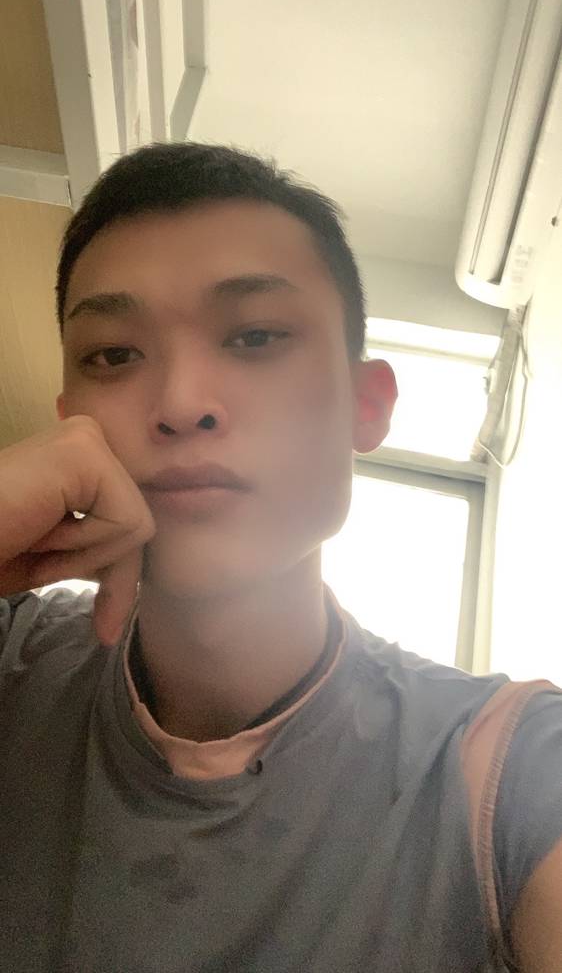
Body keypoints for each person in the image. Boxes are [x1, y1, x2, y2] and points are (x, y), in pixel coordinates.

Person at [0, 142, 560, 973]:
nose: (181, 404)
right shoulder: (13, 659)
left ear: (366, 405)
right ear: (68, 420)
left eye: (256, 335)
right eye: (113, 355)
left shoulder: (507, 774)